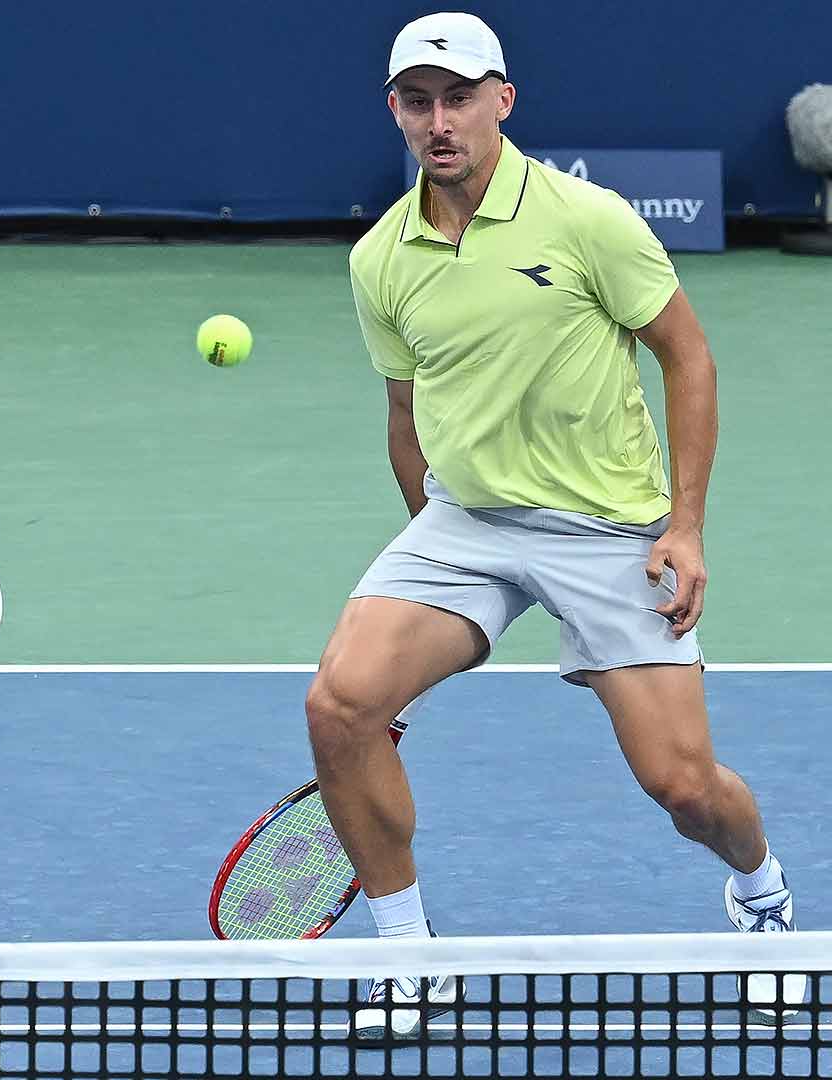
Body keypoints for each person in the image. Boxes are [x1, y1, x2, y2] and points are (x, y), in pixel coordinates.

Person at [310, 13, 796, 1039]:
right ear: (394, 111)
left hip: (607, 529)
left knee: (686, 788)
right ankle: (409, 955)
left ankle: (763, 900)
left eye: (459, 97)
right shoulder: (379, 259)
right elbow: (405, 418)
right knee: (342, 705)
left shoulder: (588, 218)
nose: (440, 121)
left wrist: (686, 528)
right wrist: (432, 589)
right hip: (466, 524)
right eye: (418, 100)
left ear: (503, 101)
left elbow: (689, 357)